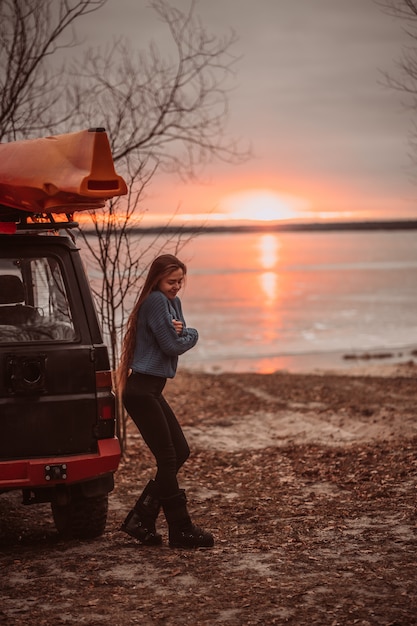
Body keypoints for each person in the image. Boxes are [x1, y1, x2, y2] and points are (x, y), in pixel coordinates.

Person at [118, 254, 214, 549]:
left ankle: (141, 518)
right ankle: (180, 528)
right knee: (168, 457)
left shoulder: (174, 303)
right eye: (171, 281)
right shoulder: (156, 302)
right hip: (140, 390)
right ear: (157, 279)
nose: (176, 287)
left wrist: (185, 333)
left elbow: (180, 335)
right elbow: (174, 344)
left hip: (152, 389)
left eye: (180, 281)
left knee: (180, 451)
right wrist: (191, 333)